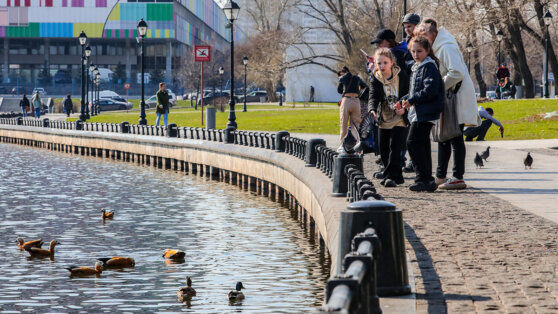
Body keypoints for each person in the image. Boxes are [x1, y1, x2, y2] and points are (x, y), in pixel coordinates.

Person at [415, 18, 479, 191]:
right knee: (444, 136)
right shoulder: (439, 46)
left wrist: (437, 86)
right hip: (449, 96)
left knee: (454, 136)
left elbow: (456, 72)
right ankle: (441, 175)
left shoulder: (446, 47)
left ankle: (458, 176)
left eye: (424, 36)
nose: (422, 39)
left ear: (433, 34)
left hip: (455, 97)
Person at [400, 36, 445, 192]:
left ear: (427, 51)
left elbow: (430, 90)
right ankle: (427, 180)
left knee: (412, 142)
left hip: (426, 111)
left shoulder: (429, 66)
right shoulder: (417, 67)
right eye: (413, 51)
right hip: (420, 111)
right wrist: (404, 100)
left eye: (419, 51)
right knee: (422, 144)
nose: (416, 54)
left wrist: (412, 100)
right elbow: (415, 90)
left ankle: (422, 178)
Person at [368, 48, 409, 187]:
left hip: (399, 117)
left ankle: (389, 177)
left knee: (395, 147)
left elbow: (408, 94)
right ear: (375, 63)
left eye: (385, 62)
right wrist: (372, 109)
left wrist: (404, 108)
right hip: (383, 117)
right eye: (379, 63)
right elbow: (372, 96)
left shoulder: (401, 75)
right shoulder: (375, 78)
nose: (382, 66)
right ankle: (397, 176)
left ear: (391, 63)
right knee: (384, 149)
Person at [337, 66, 367, 152]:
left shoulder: (342, 78)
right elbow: (365, 86)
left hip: (346, 100)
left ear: (344, 72)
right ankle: (357, 145)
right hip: (356, 101)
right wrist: (358, 92)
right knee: (356, 124)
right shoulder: (357, 78)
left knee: (344, 123)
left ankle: (342, 145)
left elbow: (339, 90)